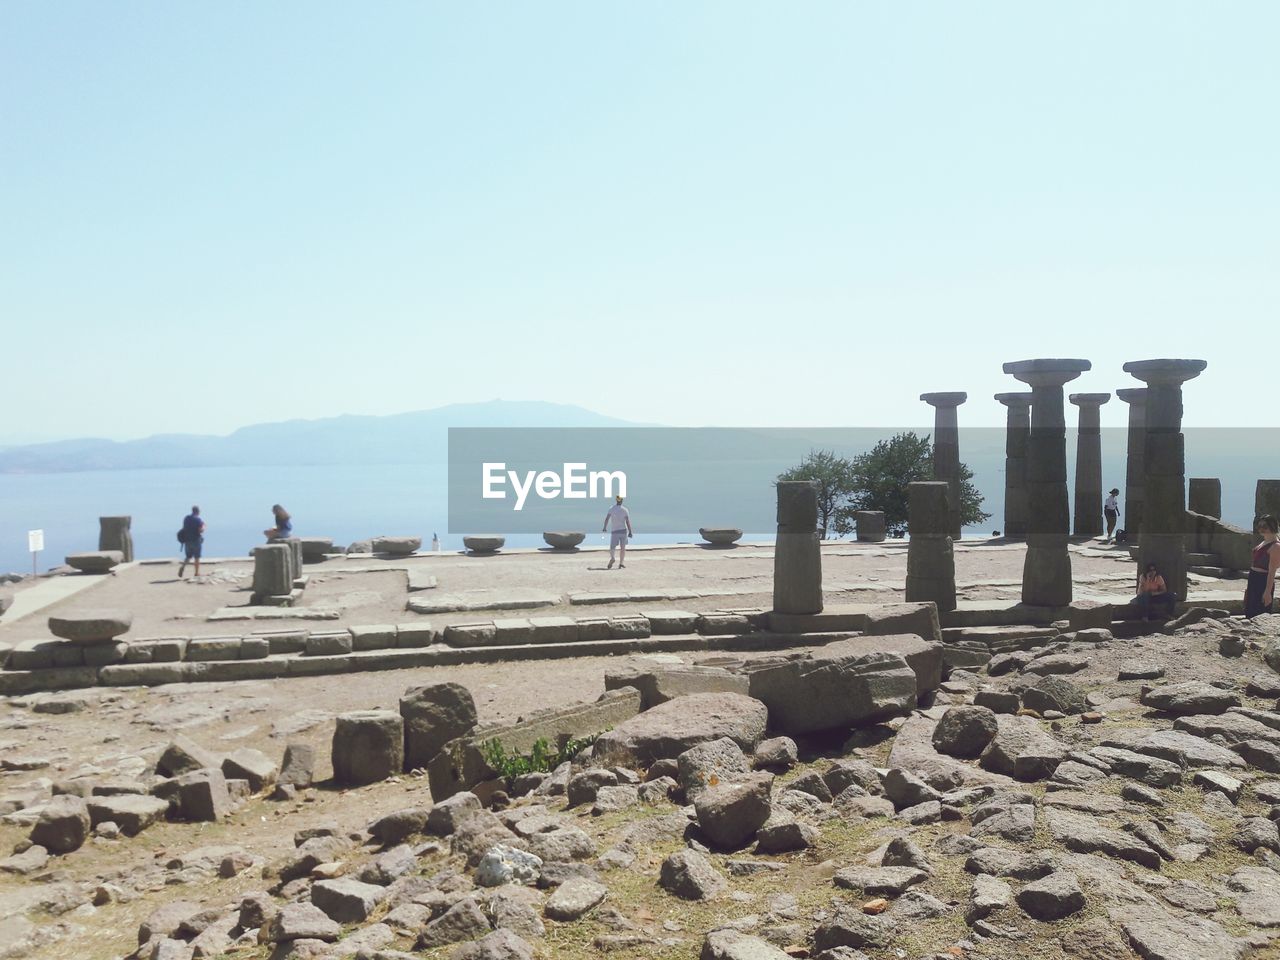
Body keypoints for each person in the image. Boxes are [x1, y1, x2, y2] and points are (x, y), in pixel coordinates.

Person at [1245, 515, 1280, 618]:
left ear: (1272, 526)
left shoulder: (1276, 546)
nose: (1261, 529)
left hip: (1263, 580)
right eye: (1259, 526)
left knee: (1259, 612)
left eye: (1264, 526)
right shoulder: (1264, 541)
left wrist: (1267, 592)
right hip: (1253, 578)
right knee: (1249, 610)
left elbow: (1272, 570)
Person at [602, 495, 633, 570]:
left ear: (616, 500)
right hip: (623, 531)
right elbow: (628, 522)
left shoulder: (611, 509)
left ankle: (612, 558)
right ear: (622, 501)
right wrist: (630, 531)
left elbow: (607, 519)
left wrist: (604, 528)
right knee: (623, 548)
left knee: (612, 547)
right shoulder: (625, 510)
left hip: (615, 531)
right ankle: (621, 563)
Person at [178, 506, 205, 579]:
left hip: (187, 541)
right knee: (197, 557)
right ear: (198, 511)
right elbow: (201, 530)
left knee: (188, 556)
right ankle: (196, 573)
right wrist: (204, 526)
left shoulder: (186, 518)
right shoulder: (198, 519)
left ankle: (183, 566)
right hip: (196, 540)